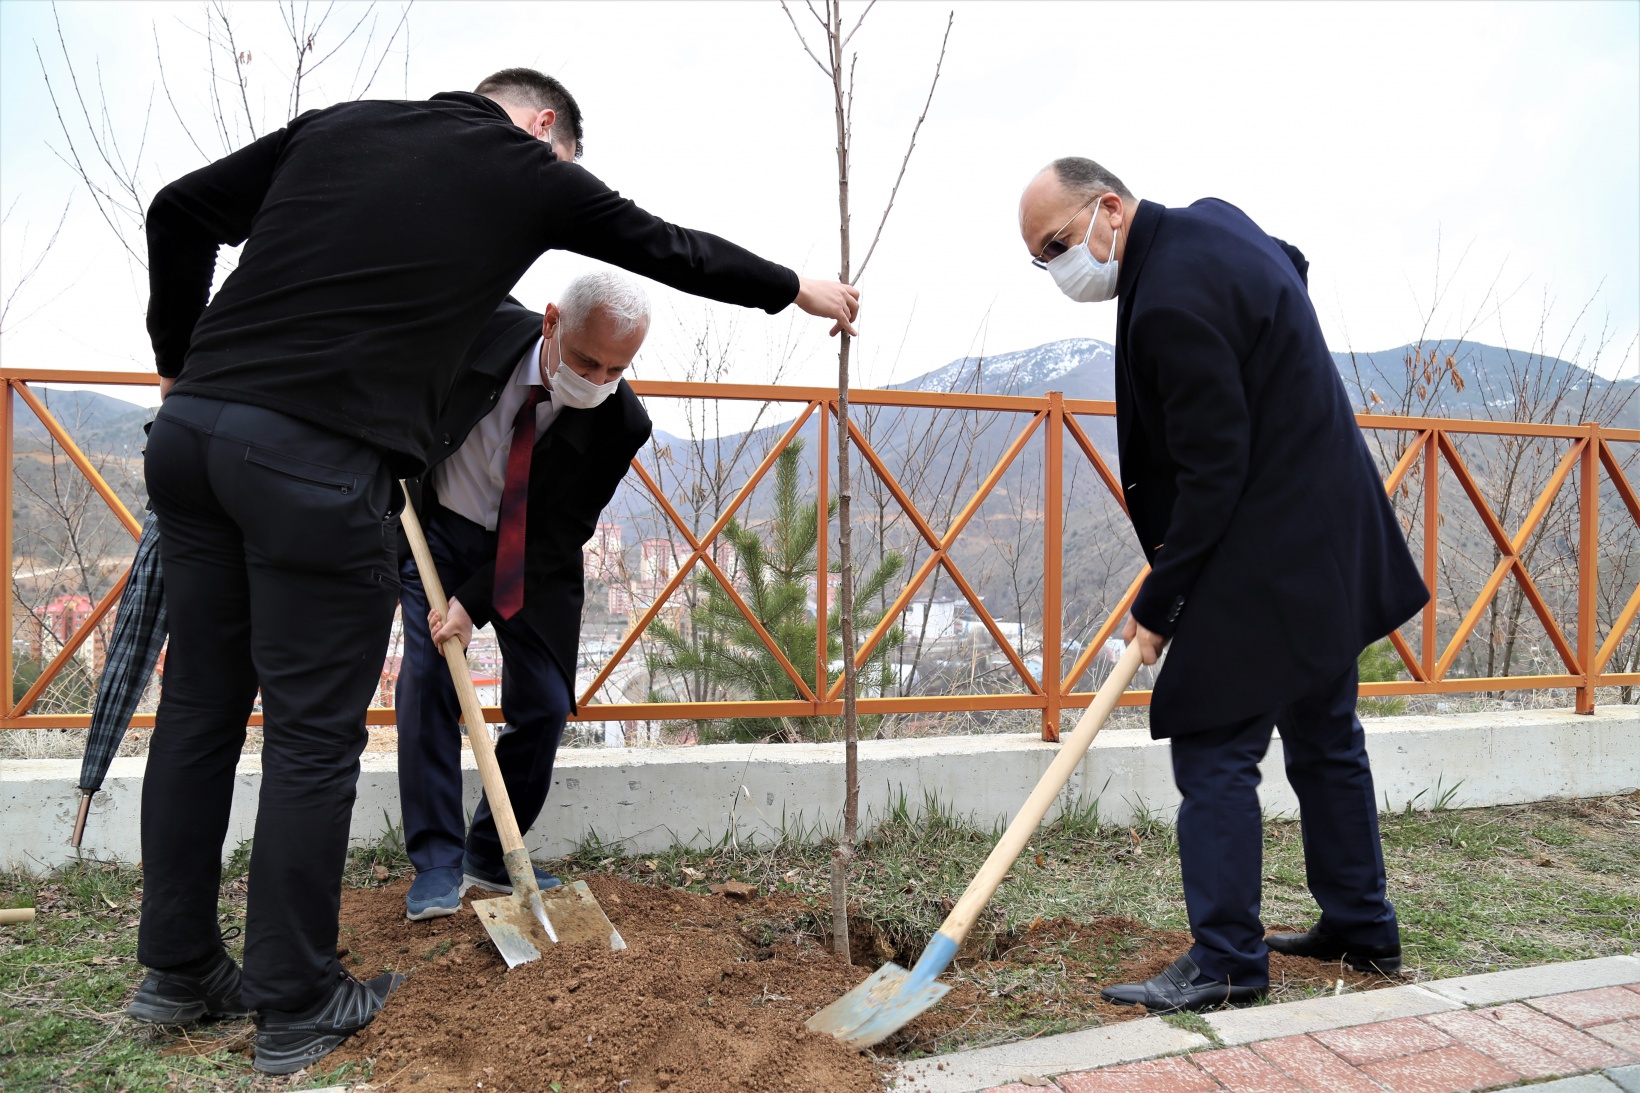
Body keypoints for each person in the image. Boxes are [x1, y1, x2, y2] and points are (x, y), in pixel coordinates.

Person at [131, 67, 860, 1075]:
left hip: (192, 436)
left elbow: (179, 210)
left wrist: (181, 362)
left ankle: (175, 970)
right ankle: (294, 1000)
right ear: (546, 126)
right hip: (310, 464)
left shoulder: (338, 124)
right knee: (310, 737)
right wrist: (793, 288)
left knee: (200, 713)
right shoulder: (526, 168)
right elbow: (666, 245)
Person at [1017, 158, 1427, 1013]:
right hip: (1326, 523)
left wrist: (1159, 605)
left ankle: (1228, 961)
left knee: (1212, 745)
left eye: (1057, 244)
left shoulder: (1166, 301)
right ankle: (1362, 925)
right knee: (1323, 730)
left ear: (1109, 210)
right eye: (1039, 258)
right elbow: (1292, 266)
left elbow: (1213, 470)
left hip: (1263, 543)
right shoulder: (1216, 222)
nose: (1057, 267)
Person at [396, 276, 650, 921]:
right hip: (442, 531)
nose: (598, 380)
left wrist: (475, 600)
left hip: (534, 551)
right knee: (429, 680)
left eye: (617, 367)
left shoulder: (621, 421)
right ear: (551, 323)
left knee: (543, 702)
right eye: (588, 360)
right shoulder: (476, 329)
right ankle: (435, 862)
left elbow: (561, 530)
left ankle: (491, 851)